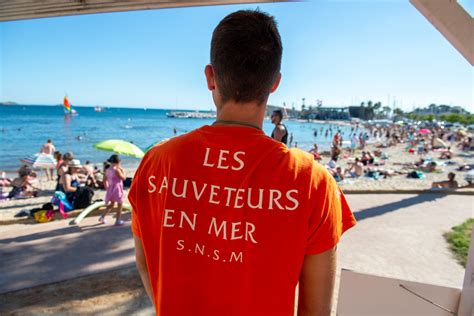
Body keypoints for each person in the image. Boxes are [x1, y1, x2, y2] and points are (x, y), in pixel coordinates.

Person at [129, 10, 356, 315]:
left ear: (211, 77)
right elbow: (315, 310)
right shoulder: (312, 181)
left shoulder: (156, 163)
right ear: (274, 83)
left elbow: (146, 267)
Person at [98, 155, 126, 226]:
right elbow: (123, 178)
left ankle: (102, 216)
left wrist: (107, 188)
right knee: (120, 204)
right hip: (117, 188)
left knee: (111, 204)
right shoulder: (117, 170)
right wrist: (122, 170)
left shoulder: (107, 170)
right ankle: (118, 220)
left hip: (111, 188)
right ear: (118, 162)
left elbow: (104, 180)